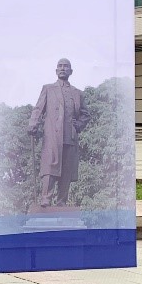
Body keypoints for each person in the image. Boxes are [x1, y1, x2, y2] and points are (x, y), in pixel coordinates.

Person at [28, 58, 90, 207]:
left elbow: (86, 114)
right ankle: (46, 198)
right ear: (56, 71)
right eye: (60, 66)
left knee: (67, 170)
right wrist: (33, 123)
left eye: (66, 66)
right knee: (50, 166)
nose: (63, 68)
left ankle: (62, 202)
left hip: (70, 136)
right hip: (52, 135)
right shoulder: (48, 89)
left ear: (71, 71)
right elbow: (38, 109)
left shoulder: (77, 93)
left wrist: (78, 125)